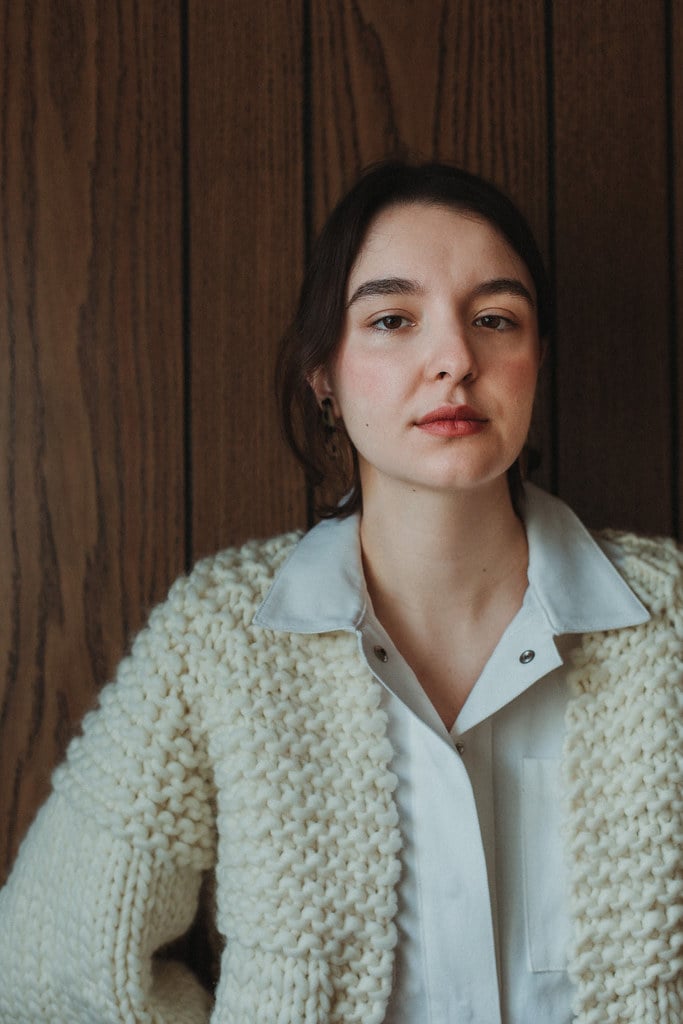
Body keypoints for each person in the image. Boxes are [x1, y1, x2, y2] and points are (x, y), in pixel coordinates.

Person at [0, 161, 680, 1024]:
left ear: (535, 358)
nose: (453, 360)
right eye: (392, 320)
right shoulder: (221, 637)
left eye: (494, 319)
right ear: (323, 371)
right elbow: (50, 964)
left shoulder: (668, 624)